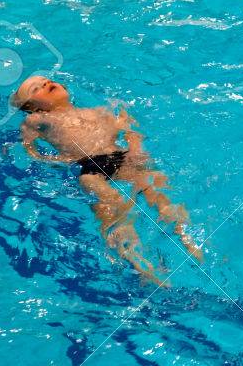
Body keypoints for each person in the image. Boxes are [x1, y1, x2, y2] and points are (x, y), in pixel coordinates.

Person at [12, 76, 202, 281]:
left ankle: (184, 234)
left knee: (154, 185)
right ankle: (139, 263)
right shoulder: (37, 120)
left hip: (120, 155)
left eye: (47, 80)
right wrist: (56, 160)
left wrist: (135, 147)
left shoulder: (97, 111)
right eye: (36, 88)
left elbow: (130, 131)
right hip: (89, 166)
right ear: (32, 106)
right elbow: (30, 149)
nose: (46, 84)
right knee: (114, 210)